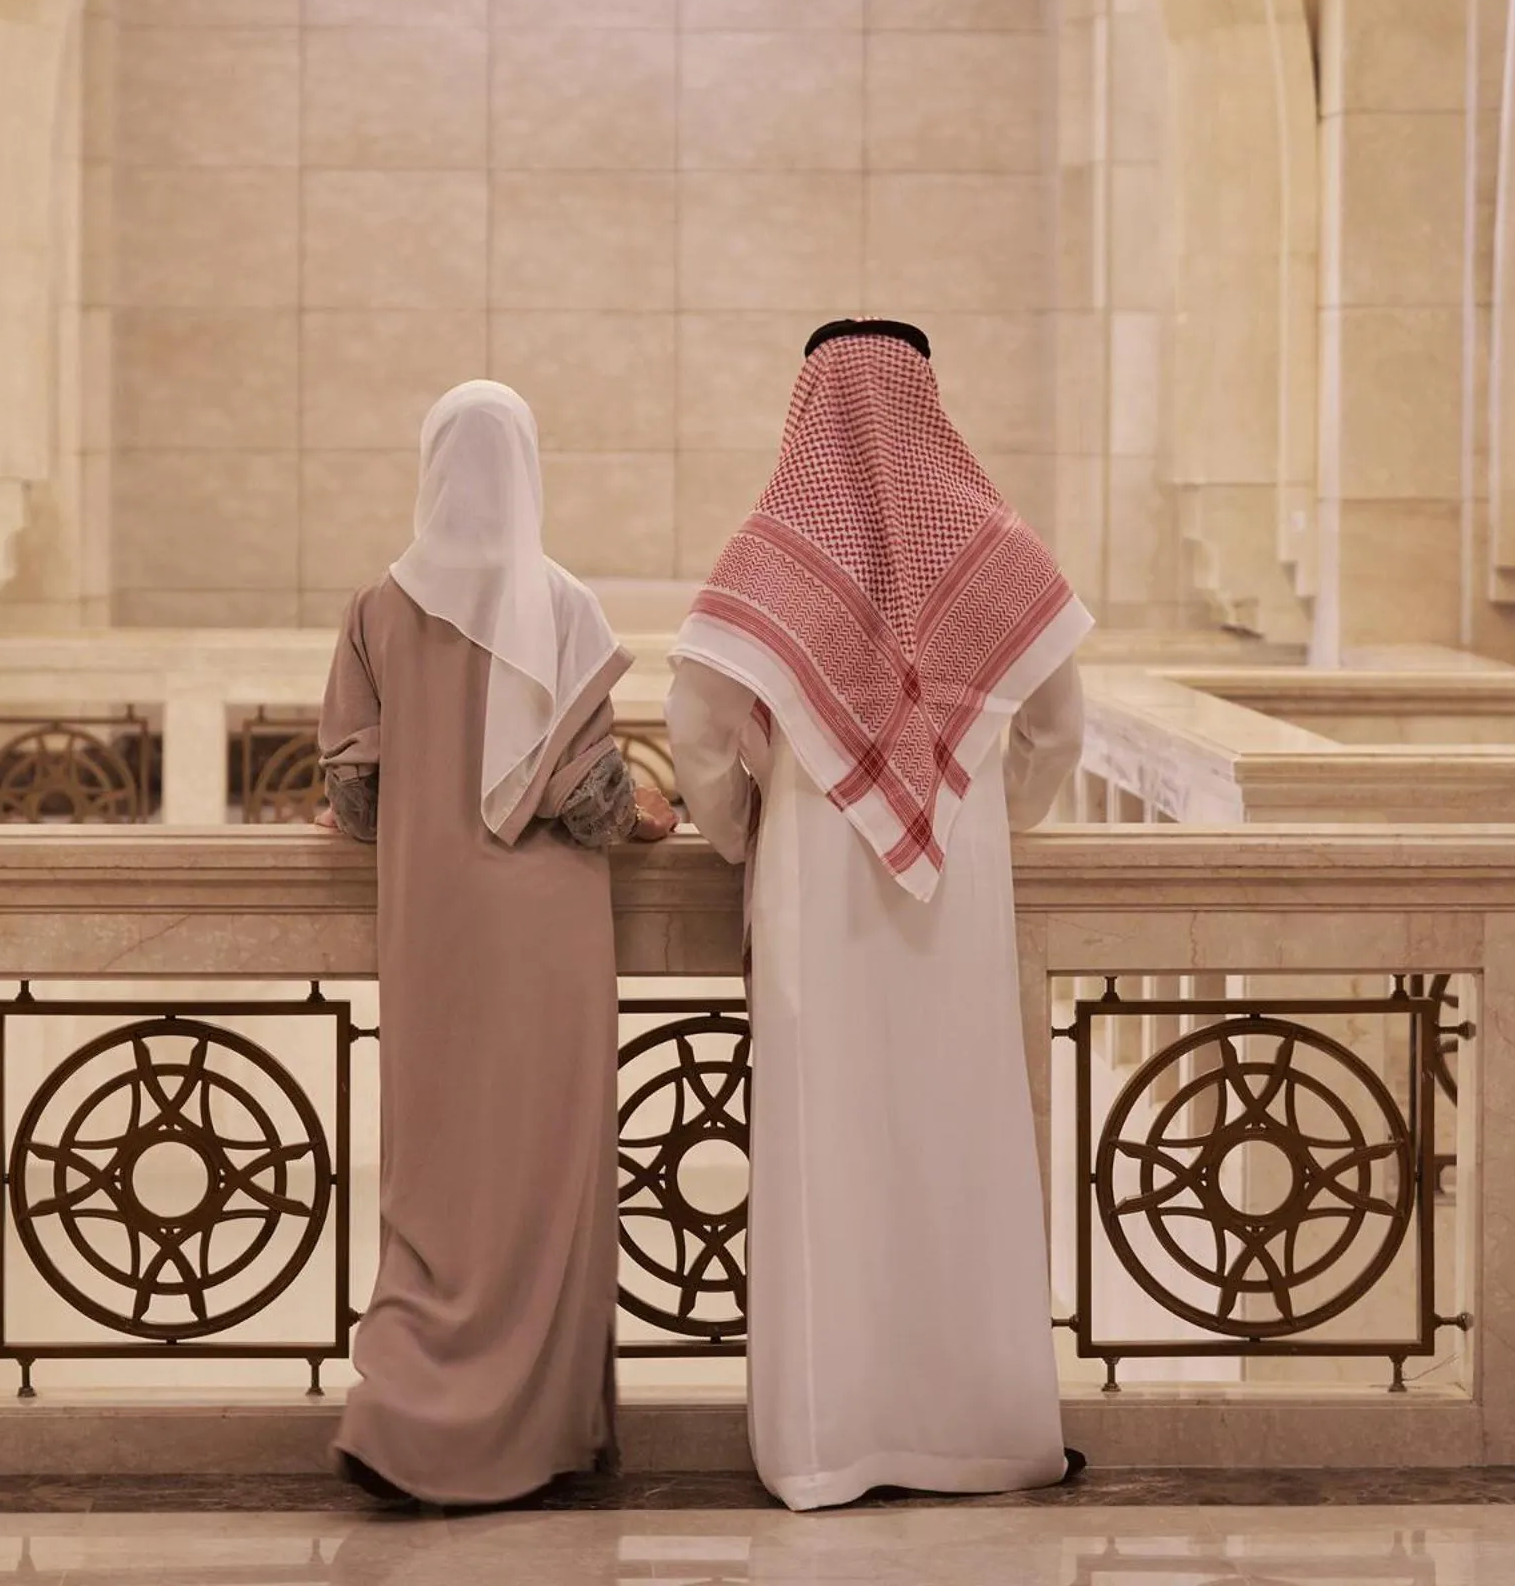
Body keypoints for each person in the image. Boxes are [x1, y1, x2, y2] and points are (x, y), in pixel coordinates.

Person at [663, 319, 1089, 1512]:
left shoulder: (770, 557)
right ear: (926, 404)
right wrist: (983, 812)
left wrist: (746, 830)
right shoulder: (999, 554)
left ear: (806, 410)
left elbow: (695, 730)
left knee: (829, 1142)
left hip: (814, 884)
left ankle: (829, 1443)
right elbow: (1057, 727)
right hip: (958, 887)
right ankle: (981, 1432)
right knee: (959, 1133)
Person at [315, 380, 679, 1507]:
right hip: (546, 943)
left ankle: (404, 1410)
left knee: (433, 1171)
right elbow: (595, 806)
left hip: (432, 933)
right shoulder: (562, 605)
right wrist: (655, 811)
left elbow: (356, 802)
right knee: (541, 1170)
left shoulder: (377, 607)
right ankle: (537, 1430)